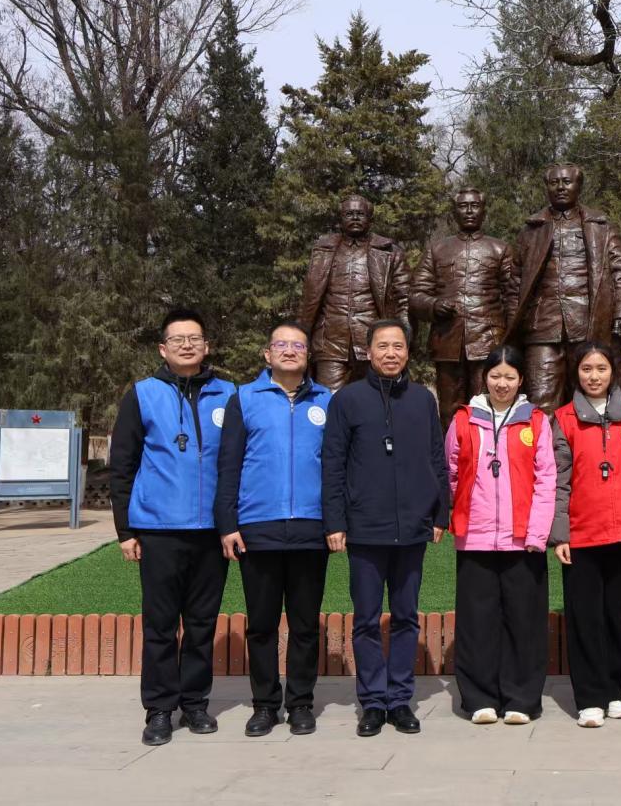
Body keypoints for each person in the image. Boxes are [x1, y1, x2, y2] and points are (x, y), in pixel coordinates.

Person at [109, 308, 236, 746]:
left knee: (202, 623)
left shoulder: (228, 394)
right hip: (159, 529)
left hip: (212, 531)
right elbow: (122, 465)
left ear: (206, 346)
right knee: (160, 624)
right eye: (178, 339)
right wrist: (125, 530)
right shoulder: (143, 394)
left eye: (194, 338)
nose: (187, 345)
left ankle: (195, 703)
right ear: (163, 349)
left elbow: (237, 463)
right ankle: (160, 708)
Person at [321, 318, 448, 737]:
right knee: (366, 619)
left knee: (407, 617)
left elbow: (436, 459)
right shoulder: (348, 400)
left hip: (413, 528)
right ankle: (374, 702)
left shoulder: (422, 400)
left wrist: (439, 513)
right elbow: (333, 464)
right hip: (365, 528)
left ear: (407, 352)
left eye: (398, 346)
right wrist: (335, 521)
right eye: (383, 346)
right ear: (368, 351)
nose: (391, 353)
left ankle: (400, 699)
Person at [214, 321, 332, 737]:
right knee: (261, 625)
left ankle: (300, 703)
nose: (289, 350)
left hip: (311, 528)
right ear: (267, 354)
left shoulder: (327, 400)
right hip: (258, 528)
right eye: (281, 344)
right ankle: (265, 704)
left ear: (308, 355)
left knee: (305, 625)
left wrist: (336, 522)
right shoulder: (244, 399)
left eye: (297, 345)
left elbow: (337, 467)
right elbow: (228, 466)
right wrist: (228, 524)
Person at [446, 345, 557, 724]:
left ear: (521, 380)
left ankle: (521, 699)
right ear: (485, 378)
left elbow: (546, 480)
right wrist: (462, 512)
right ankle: (480, 699)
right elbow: (450, 472)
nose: (502, 383)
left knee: (524, 622)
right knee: (477, 622)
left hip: (523, 539)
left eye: (510, 377)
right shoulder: (464, 419)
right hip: (475, 538)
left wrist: (537, 534)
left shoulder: (536, 421)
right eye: (496, 376)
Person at [550, 342, 621, 728]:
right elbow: (559, 481)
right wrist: (560, 535)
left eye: (601, 368)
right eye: (587, 369)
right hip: (582, 535)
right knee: (584, 617)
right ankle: (589, 698)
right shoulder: (564, 419)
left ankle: (613, 691)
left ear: (613, 372)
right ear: (576, 373)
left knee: (617, 615)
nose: (594, 376)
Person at [506, 162, 621, 412]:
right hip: (542, 327)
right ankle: (545, 440)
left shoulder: (601, 227)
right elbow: (515, 285)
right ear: (546, 187)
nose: (560, 187)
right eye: (554, 182)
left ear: (579, 186)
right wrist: (515, 325)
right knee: (541, 400)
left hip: (588, 325)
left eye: (567, 182)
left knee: (591, 398)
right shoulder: (530, 231)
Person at [411, 187, 519, 428]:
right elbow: (416, 294)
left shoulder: (500, 249)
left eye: (475, 206)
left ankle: (489, 451)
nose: (469, 211)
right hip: (447, 341)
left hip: (488, 340)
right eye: (463, 206)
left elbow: (513, 296)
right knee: (449, 409)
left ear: (484, 212)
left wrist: (510, 339)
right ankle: (450, 452)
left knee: (487, 406)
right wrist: (434, 305)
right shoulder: (437, 249)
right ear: (454, 213)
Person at [298, 195, 410, 391]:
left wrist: (405, 335)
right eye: (349, 214)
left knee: (373, 398)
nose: (355, 218)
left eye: (360, 214)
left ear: (370, 219)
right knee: (328, 400)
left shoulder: (390, 252)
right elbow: (309, 297)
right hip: (330, 341)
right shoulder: (322, 250)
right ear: (340, 219)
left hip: (373, 339)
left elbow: (403, 298)